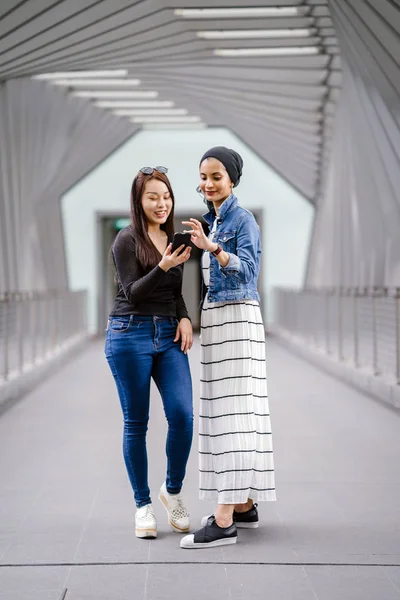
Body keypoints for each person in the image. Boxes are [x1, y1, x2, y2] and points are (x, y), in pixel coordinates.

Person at [180, 147, 276, 549]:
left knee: (233, 414)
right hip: (220, 320)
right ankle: (244, 504)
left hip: (236, 317)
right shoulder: (214, 220)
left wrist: (214, 248)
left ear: (232, 179)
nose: (208, 183)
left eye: (216, 176)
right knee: (237, 409)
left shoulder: (241, 220)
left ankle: (223, 522)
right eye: (203, 176)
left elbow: (250, 271)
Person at [105, 166, 194, 540]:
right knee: (136, 423)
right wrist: (163, 265)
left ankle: (171, 491)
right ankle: (142, 505)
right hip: (130, 334)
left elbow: (173, 292)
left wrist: (186, 318)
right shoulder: (126, 240)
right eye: (152, 197)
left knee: (183, 414)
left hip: (169, 336)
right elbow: (133, 292)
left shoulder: (173, 238)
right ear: (139, 201)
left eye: (166, 196)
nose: (161, 203)